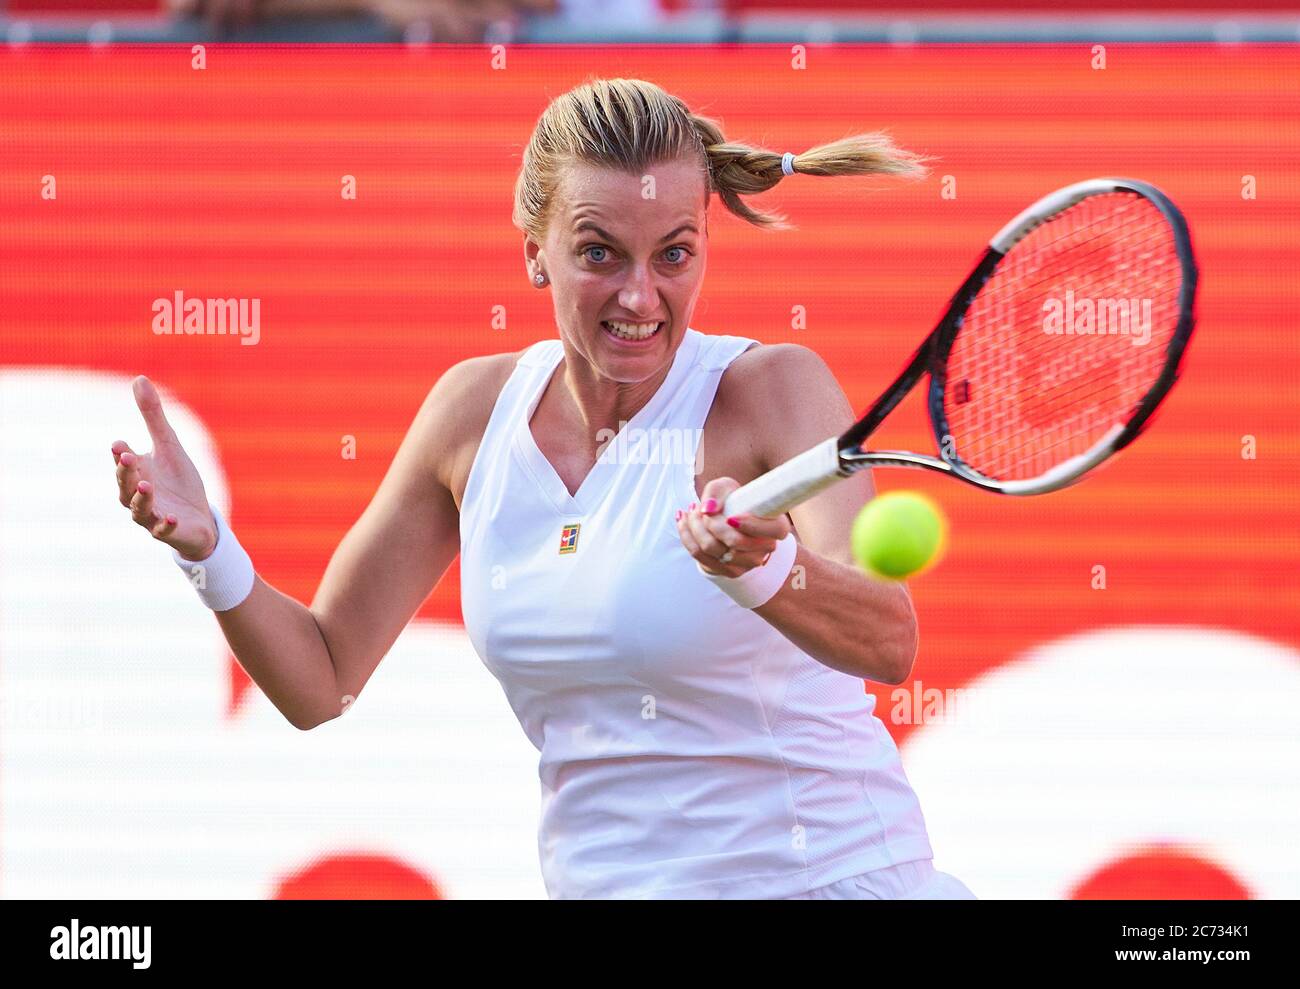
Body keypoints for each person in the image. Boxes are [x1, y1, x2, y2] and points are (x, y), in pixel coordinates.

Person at [112, 76, 975, 900]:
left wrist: (762, 570)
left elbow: (889, 637)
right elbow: (320, 679)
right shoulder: (469, 416)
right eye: (599, 252)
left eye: (674, 253)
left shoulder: (773, 390)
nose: (641, 295)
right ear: (535, 251)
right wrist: (209, 551)